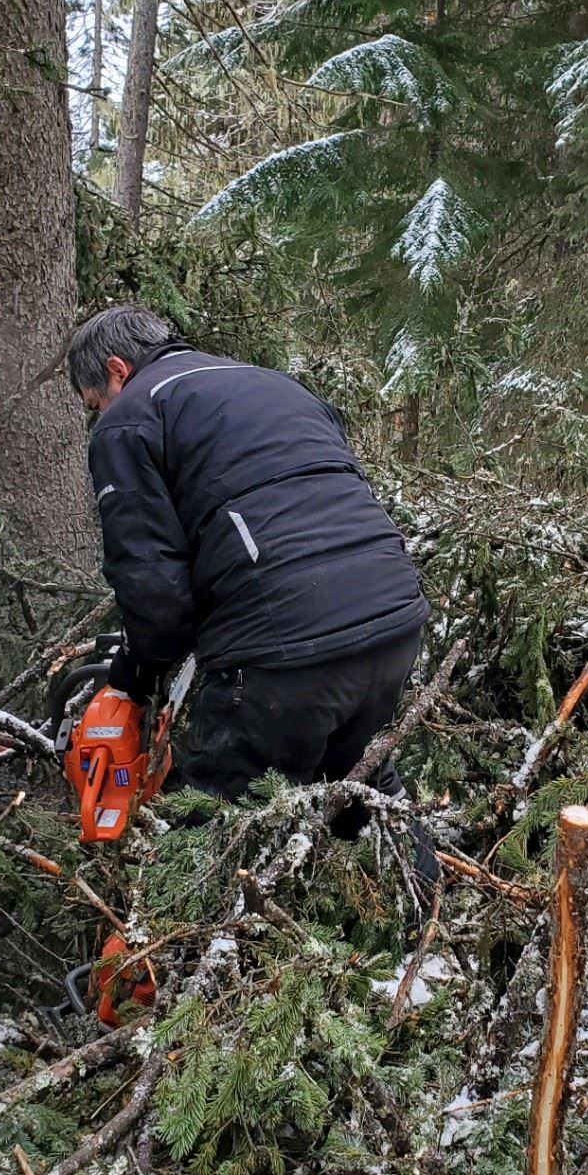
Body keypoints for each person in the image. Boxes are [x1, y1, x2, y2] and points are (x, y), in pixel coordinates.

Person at [65, 306, 432, 844]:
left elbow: (153, 591)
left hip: (286, 650)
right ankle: (429, 915)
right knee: (360, 800)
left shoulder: (131, 418)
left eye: (94, 404)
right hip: (395, 619)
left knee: (211, 843)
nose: (100, 417)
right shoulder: (276, 385)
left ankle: (191, 927)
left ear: (118, 371)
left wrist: (130, 679)